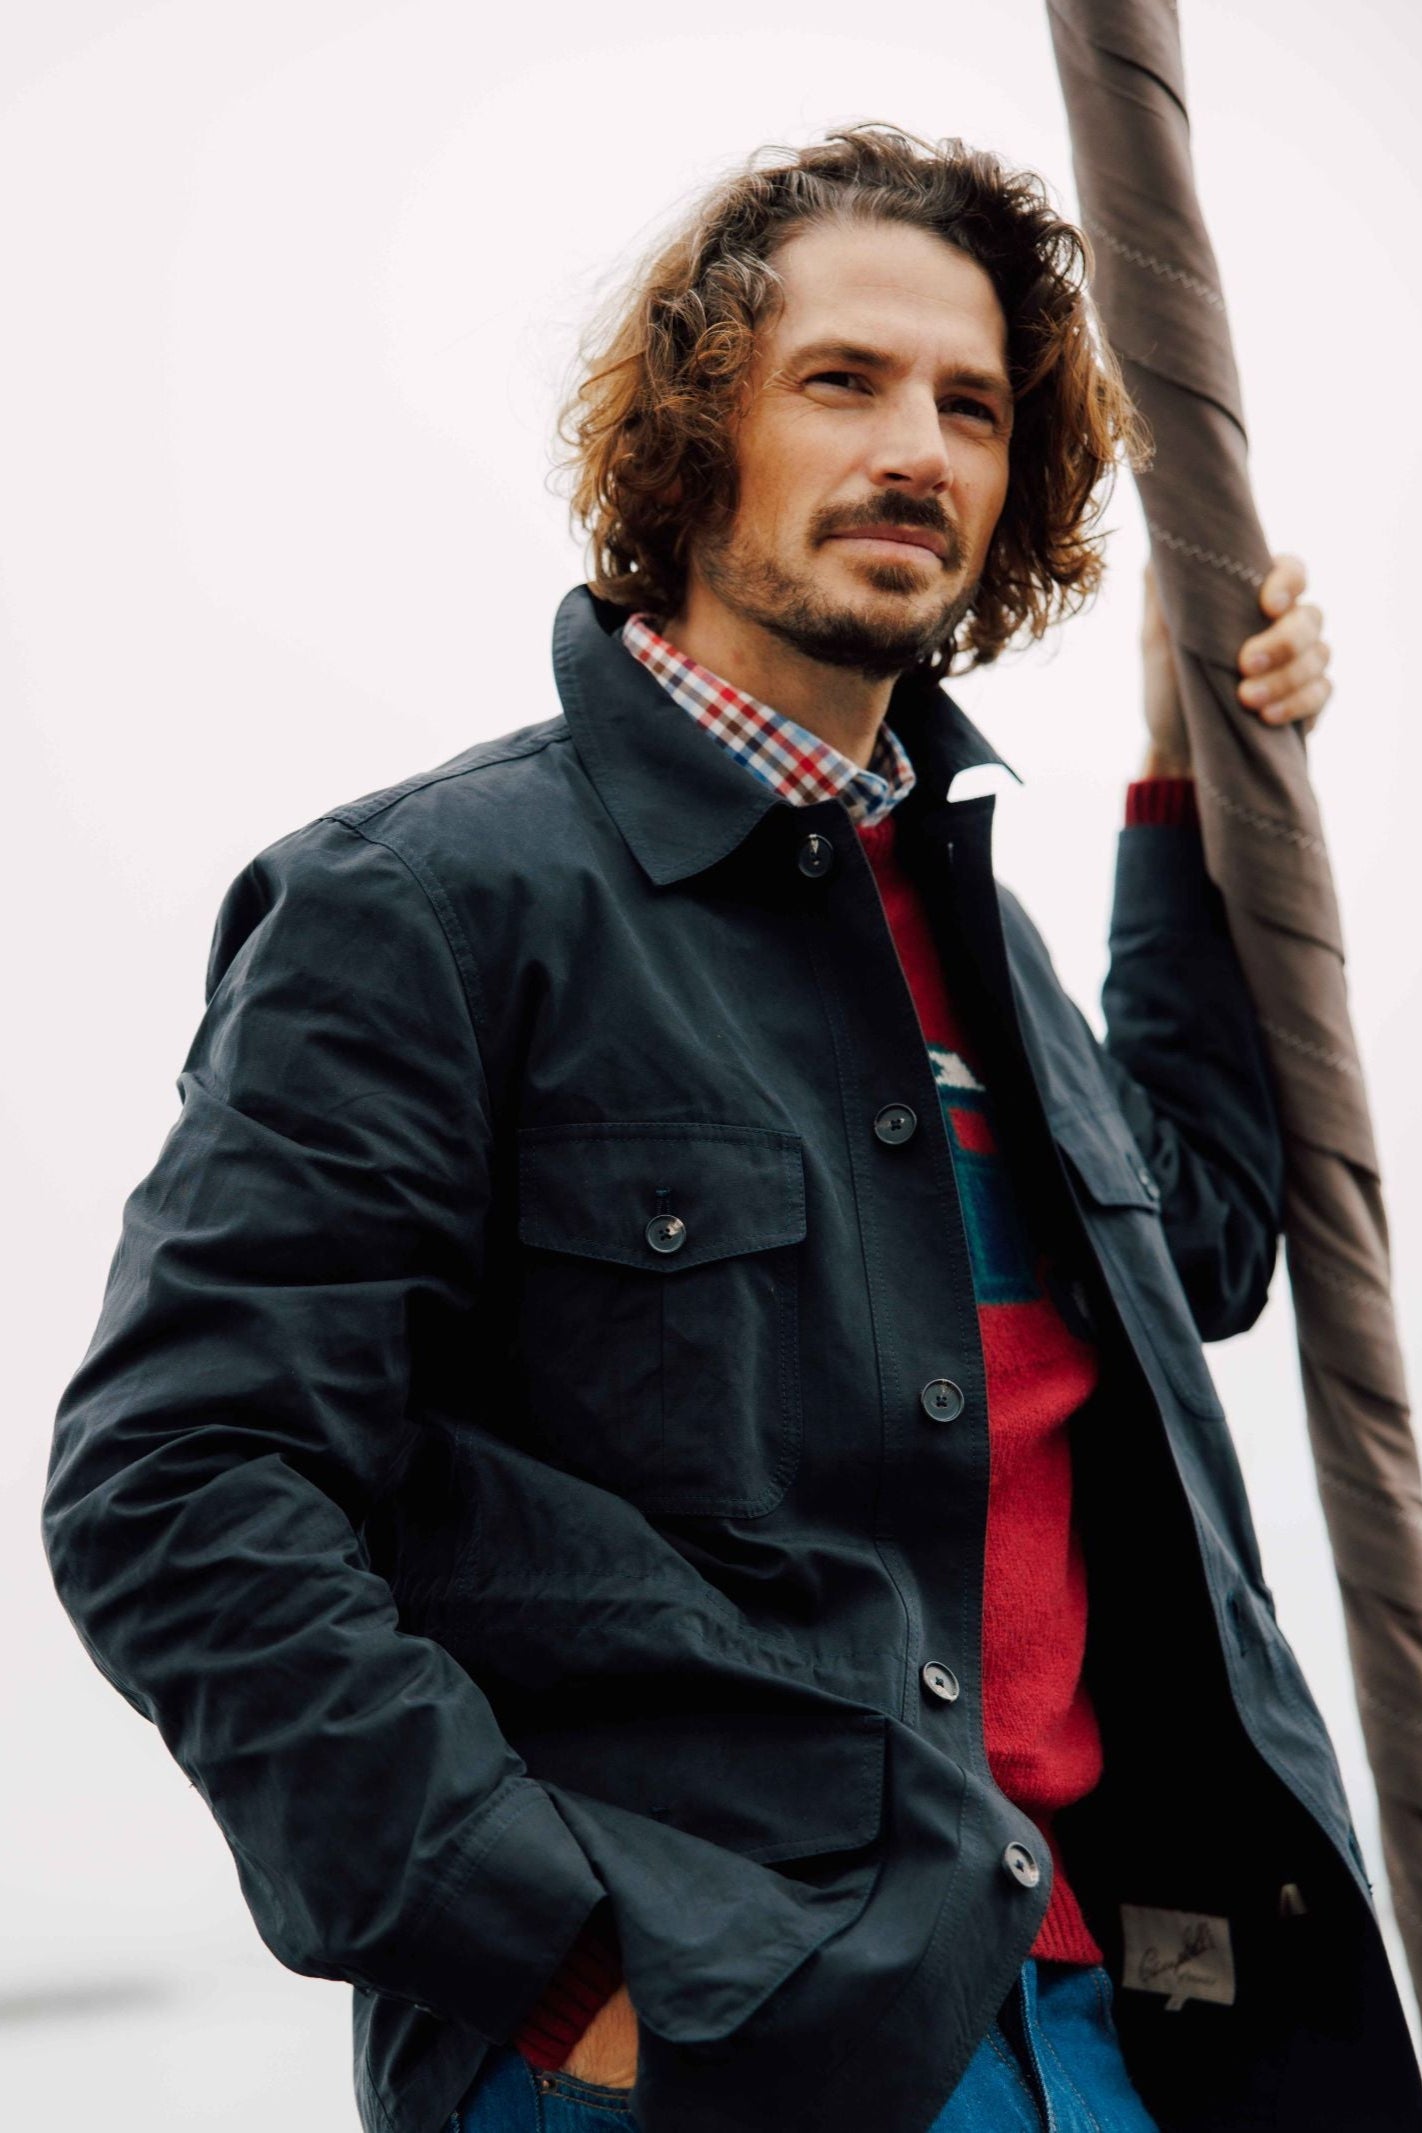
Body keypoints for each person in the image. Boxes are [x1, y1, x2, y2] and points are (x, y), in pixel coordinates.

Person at [41, 124, 1421, 2133]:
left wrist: (1185, 783)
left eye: (971, 405)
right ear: (699, 434)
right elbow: (176, 1481)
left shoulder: (976, 944)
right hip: (702, 2046)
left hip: (1111, 2023)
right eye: (841, 380)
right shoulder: (429, 905)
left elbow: (1200, 1238)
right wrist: (559, 1958)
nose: (917, 449)